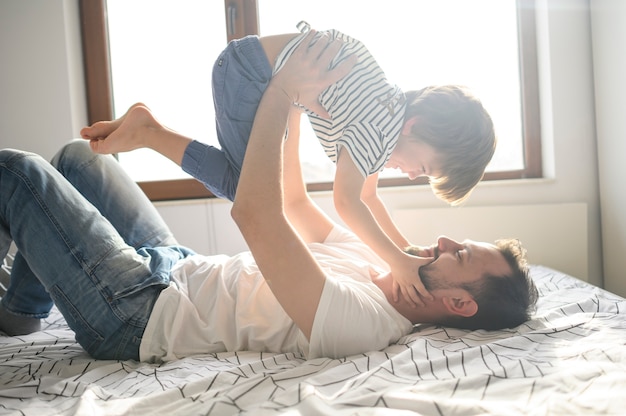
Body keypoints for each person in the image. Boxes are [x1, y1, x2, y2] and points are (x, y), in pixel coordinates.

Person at [0, 32, 537, 362]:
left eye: (459, 255)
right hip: (182, 267)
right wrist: (300, 106)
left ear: (459, 304)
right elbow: (297, 204)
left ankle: (22, 307)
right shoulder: (379, 262)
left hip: (139, 313)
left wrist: (280, 93)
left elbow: (257, 212)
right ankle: (22, 310)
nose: (442, 240)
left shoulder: (365, 324)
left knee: (20, 173)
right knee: (78, 158)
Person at [80, 22, 497, 307]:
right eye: (422, 168)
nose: (409, 175)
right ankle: (148, 131)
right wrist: (395, 260)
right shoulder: (378, 130)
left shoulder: (384, 113)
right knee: (253, 194)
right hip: (252, 76)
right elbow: (349, 202)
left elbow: (369, 195)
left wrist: (404, 250)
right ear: (416, 128)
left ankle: (149, 130)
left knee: (255, 189)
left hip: (253, 70)